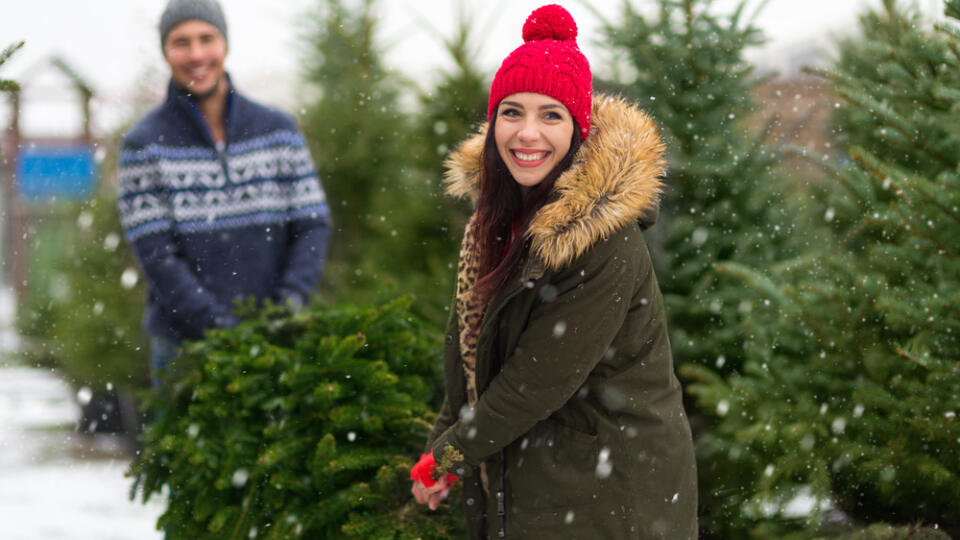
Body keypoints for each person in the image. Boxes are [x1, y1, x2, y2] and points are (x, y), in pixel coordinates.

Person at [409, 4, 697, 539]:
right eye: (512, 112)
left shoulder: (601, 238)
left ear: (578, 129)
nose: (527, 134)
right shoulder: (495, 222)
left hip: (608, 485)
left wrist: (450, 454)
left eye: (551, 115)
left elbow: (534, 383)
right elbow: (470, 352)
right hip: (540, 471)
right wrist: (441, 443)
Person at [117, 0, 331, 387]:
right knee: (180, 449)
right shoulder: (143, 144)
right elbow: (156, 253)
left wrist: (286, 310)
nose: (196, 54)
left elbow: (311, 224)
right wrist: (218, 327)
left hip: (278, 341)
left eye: (206, 39)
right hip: (183, 350)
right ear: (166, 51)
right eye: (181, 42)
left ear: (225, 44)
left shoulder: (277, 130)